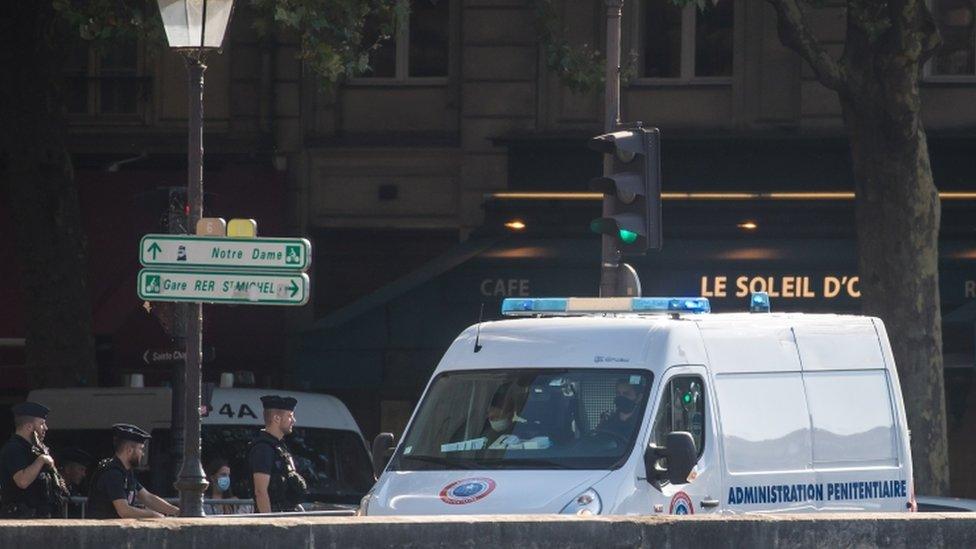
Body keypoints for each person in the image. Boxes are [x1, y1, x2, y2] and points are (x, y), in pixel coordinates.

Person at [87, 424, 179, 519]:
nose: (142, 454)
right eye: (141, 449)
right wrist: (153, 515)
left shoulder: (126, 472)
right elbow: (124, 511)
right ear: (129, 450)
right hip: (103, 531)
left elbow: (147, 497)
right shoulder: (113, 474)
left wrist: (176, 511)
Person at [0, 402, 64, 518]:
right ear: (29, 426)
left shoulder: (34, 450)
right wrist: (41, 460)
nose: (45, 428)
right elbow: (22, 481)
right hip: (20, 520)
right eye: (42, 424)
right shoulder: (14, 448)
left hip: (39, 517)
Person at [249, 395, 307, 513]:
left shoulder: (279, 447)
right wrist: (269, 523)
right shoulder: (263, 449)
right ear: (276, 418)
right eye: (290, 416)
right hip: (275, 516)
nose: (293, 420)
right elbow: (260, 491)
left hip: (285, 514)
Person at [59, 447, 93, 518]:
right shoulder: (55, 488)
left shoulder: (75, 489)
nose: (84, 474)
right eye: (81, 469)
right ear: (67, 469)